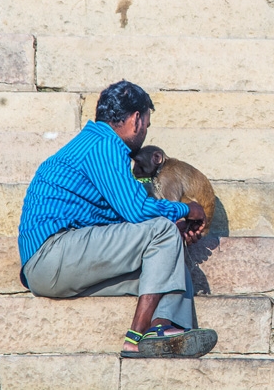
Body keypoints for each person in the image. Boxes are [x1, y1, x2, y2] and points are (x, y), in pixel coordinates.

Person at [17, 80, 217, 358]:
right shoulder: (103, 145)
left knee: (170, 262)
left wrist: (177, 230)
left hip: (60, 266)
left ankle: (165, 330)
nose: (145, 131)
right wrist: (186, 211)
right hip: (52, 254)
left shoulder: (97, 146)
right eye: (146, 124)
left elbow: (127, 219)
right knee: (162, 230)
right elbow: (137, 211)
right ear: (136, 120)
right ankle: (136, 337)